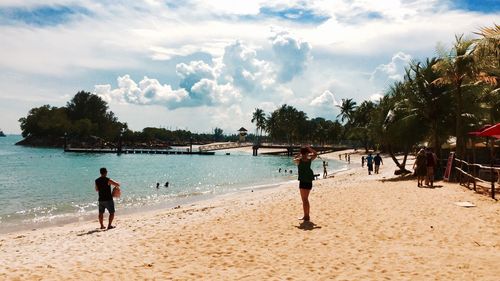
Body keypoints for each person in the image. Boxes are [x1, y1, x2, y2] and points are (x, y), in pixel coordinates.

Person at [293, 146, 318, 222]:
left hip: (303, 181)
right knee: (305, 199)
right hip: (309, 181)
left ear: (301, 153)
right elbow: (316, 154)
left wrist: (299, 154)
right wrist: (310, 149)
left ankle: (306, 216)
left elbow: (294, 159)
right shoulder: (309, 160)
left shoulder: (298, 161)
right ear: (307, 153)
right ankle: (306, 216)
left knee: (304, 199)